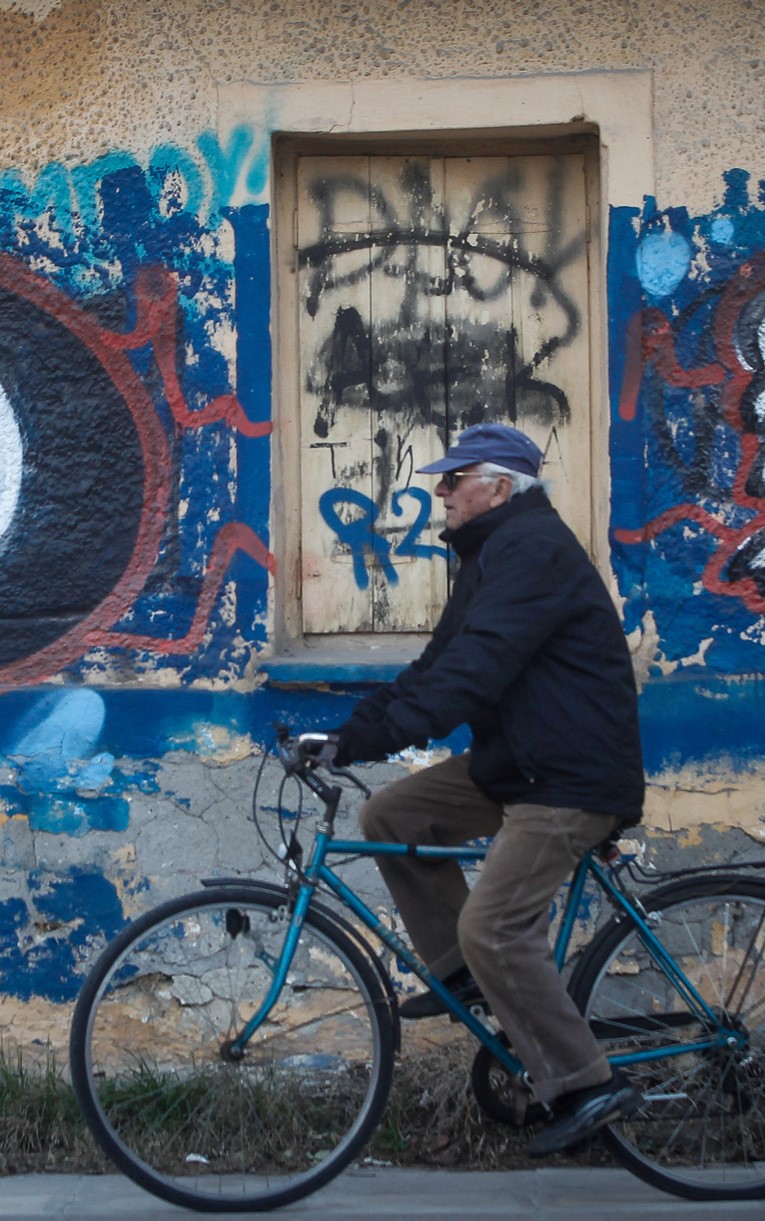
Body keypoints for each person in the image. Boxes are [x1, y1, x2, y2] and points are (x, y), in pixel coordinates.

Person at [324, 422, 647, 1157]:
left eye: (453, 478)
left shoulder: (532, 550)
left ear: (499, 486)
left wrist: (371, 738)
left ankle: (585, 1082)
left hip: (568, 777)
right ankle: (463, 972)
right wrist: (346, 732)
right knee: (392, 811)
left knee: (495, 925)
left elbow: (474, 676)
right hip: (520, 763)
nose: (439, 491)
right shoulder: (492, 556)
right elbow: (437, 665)